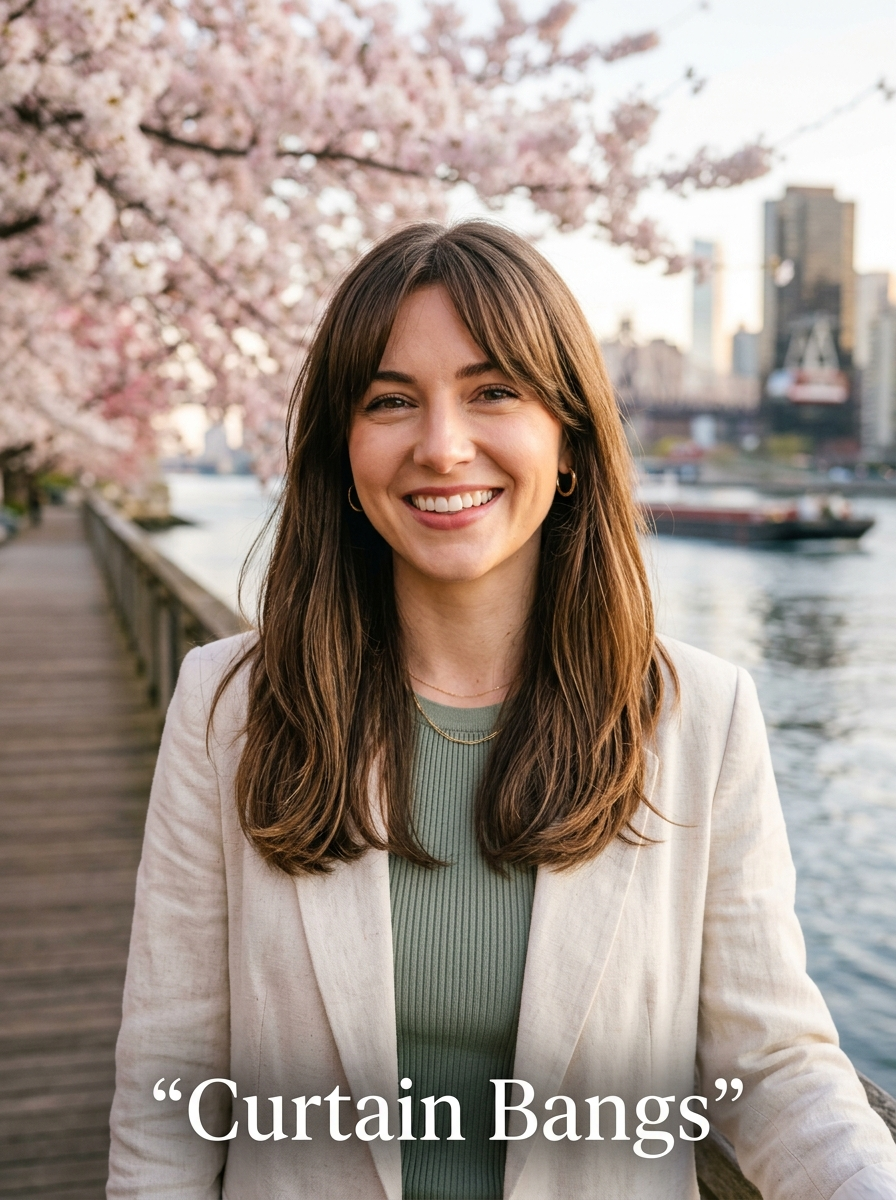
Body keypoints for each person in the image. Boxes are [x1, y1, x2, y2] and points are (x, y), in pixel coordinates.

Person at [107, 222, 896, 1200]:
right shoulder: (225, 708)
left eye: (492, 393)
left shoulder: (700, 718)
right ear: (341, 456)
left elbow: (770, 1067)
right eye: (390, 401)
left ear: (567, 442)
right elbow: (169, 1081)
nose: (442, 447)